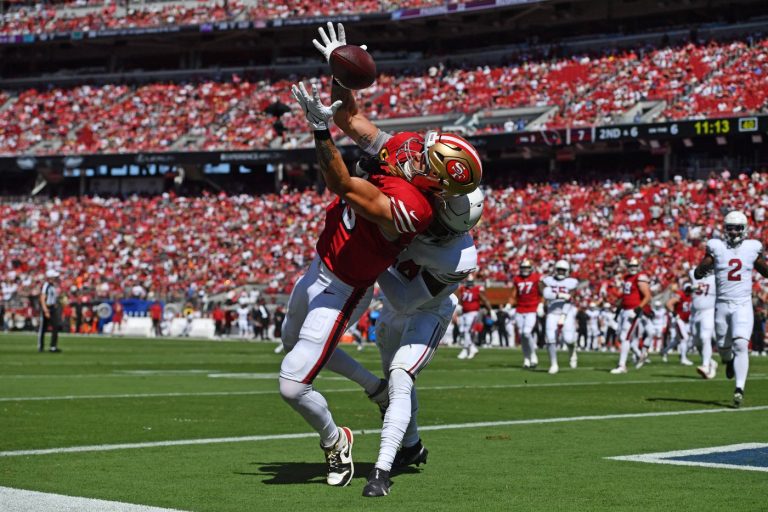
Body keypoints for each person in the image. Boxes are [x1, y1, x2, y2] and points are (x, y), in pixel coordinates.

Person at [286, 20, 482, 490]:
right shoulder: (410, 160)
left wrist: (317, 132)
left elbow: (340, 183)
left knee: (295, 380)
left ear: (433, 187)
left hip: (358, 286)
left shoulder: (412, 208)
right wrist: (342, 72)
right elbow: (350, 117)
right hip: (325, 264)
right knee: (291, 339)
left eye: (429, 158)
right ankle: (375, 390)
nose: (418, 148)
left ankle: (347, 443)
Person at [367, 188, 484, 497]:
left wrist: (373, 259)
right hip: (391, 312)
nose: (441, 234)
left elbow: (406, 300)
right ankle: (412, 446)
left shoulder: (458, 257)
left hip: (426, 310)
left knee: (400, 378)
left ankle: (381, 469)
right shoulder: (417, 202)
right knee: (396, 387)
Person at [694, 210, 768, 407]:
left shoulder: (752, 247)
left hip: (742, 304)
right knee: (725, 349)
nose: (733, 232)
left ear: (744, 229)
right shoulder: (716, 246)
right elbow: (706, 263)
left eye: (737, 228)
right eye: (730, 228)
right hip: (722, 304)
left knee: (741, 345)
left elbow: (763, 268)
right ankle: (728, 362)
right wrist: (700, 270)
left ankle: (739, 389)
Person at [611, 257, 652, 374]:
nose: (633, 268)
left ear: (638, 267)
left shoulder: (640, 277)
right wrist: (618, 309)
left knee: (625, 337)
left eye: (635, 266)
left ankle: (622, 365)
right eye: (631, 266)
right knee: (621, 336)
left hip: (633, 311)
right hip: (625, 310)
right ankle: (640, 355)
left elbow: (647, 295)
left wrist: (639, 308)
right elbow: (625, 296)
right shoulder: (627, 277)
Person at [540, 260, 579, 374]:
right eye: (559, 269)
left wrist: (563, 315)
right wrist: (559, 295)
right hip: (552, 312)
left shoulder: (572, 282)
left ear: (567, 271)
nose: (561, 272)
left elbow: (570, 298)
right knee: (550, 339)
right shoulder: (548, 280)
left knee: (568, 339)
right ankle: (553, 364)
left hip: (567, 312)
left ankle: (572, 350)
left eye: (563, 270)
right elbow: (545, 292)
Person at [511, 259, 542, 368]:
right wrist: (509, 304)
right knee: (522, 336)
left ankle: (533, 355)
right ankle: (526, 358)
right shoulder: (517, 279)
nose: (525, 270)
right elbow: (514, 293)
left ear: (530, 268)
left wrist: (541, 305)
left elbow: (541, 292)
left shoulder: (536, 278)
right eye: (523, 268)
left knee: (526, 333)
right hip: (520, 309)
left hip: (532, 308)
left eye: (526, 268)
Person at [689, 268, 717, 379]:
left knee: (705, 337)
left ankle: (705, 366)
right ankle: (710, 362)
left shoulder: (716, 278)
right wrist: (689, 287)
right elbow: (687, 285)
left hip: (709, 310)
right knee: (697, 342)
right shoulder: (693, 274)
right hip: (695, 313)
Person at [456, 275, 492, 359]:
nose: (469, 284)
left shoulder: (477, 289)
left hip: (473, 313)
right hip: (464, 313)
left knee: (467, 331)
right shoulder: (462, 289)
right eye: (468, 282)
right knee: (464, 331)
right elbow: (460, 298)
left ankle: (465, 350)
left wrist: (491, 310)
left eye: (470, 282)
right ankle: (471, 348)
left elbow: (484, 299)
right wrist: (459, 306)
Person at [662, 284, 695, 366]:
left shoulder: (692, 295)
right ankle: (683, 358)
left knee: (677, 340)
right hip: (679, 319)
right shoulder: (680, 295)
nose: (689, 291)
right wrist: (674, 313)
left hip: (686, 320)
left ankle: (664, 351)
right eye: (688, 289)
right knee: (684, 338)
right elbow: (669, 303)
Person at [38, 269, 61, 353]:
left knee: (55, 327)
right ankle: (41, 346)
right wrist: (45, 310)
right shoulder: (46, 285)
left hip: (52, 308)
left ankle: (53, 346)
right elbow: (42, 298)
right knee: (43, 328)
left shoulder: (52, 286)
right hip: (47, 308)